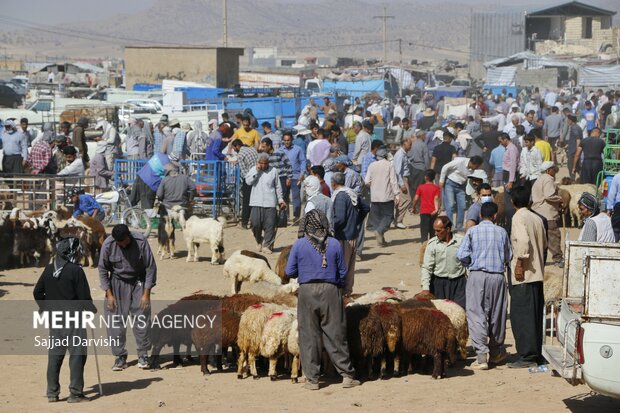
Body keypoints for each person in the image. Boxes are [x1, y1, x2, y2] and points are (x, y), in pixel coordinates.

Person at [285, 209, 360, 390]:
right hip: (331, 291)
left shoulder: (299, 244)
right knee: (336, 333)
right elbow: (342, 272)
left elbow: (289, 271)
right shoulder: (334, 244)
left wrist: (306, 269)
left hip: (307, 293)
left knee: (309, 335)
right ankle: (347, 376)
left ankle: (312, 380)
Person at [33, 237, 97, 403]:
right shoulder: (76, 270)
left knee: (55, 356)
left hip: (55, 319)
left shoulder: (48, 270)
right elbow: (84, 298)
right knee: (77, 355)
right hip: (73, 320)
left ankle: (52, 393)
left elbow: (37, 293)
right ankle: (75, 394)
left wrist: (45, 308)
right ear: (72, 252)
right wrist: (91, 309)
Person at [457, 202, 512, 370]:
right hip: (497, 276)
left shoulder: (472, 232)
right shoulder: (501, 232)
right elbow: (508, 255)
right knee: (497, 314)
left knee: (476, 313)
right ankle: (496, 353)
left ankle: (481, 357)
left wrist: (471, 262)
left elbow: (461, 255)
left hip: (477, 275)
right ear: (495, 216)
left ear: (480, 215)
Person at [98, 224, 157, 371]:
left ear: (129, 236)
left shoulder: (141, 241)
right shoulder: (108, 244)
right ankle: (120, 357)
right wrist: (109, 294)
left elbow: (151, 267)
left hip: (138, 282)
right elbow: (103, 269)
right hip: (117, 283)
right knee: (115, 320)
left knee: (142, 318)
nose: (123, 245)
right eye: (119, 243)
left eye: (124, 241)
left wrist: (146, 294)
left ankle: (143, 355)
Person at [507, 187, 546, 369]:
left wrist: (519, 265)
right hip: (537, 274)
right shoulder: (536, 218)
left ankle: (527, 356)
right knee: (535, 316)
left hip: (525, 276)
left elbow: (522, 242)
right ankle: (536, 353)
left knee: (522, 317)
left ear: (513, 202)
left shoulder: (519, 217)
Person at [331, 171, 368, 296]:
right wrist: (356, 222)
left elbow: (339, 219)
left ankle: (341, 292)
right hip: (352, 234)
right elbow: (366, 208)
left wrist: (330, 228)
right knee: (350, 266)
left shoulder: (341, 196)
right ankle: (347, 291)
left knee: (343, 266)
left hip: (344, 237)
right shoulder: (351, 192)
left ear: (333, 183)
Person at [420, 216, 467, 308]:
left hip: (459, 284)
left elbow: (467, 264)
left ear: (448, 229)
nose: (435, 233)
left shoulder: (461, 242)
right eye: (435, 230)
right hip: (438, 285)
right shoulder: (432, 244)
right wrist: (425, 288)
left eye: (438, 231)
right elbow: (426, 267)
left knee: (460, 312)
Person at [246, 153, 287, 253]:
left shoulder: (273, 171)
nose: (263, 165)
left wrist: (280, 200)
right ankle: (259, 240)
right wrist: (257, 171)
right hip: (256, 202)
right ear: (258, 162)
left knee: (270, 225)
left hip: (270, 202)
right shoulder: (253, 169)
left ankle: (267, 245)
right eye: (261, 163)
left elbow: (278, 187)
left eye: (265, 163)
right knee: (255, 224)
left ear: (268, 163)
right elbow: (248, 182)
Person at [364, 147, 399, 246]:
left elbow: (366, 181)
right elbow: (393, 181)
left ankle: (381, 241)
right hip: (387, 196)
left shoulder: (372, 165)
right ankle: (380, 231)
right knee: (388, 217)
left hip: (375, 197)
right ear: (385, 155)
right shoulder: (389, 165)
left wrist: (374, 186)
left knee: (378, 219)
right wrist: (397, 194)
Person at [439, 156, 484, 232]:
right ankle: (450, 226)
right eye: (476, 166)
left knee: (462, 206)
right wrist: (441, 180)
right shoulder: (459, 161)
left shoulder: (473, 170)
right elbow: (445, 167)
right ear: (473, 163)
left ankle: (459, 226)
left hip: (461, 186)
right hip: (450, 183)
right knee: (450, 205)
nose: (477, 168)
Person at [531, 161, 564, 266]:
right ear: (548, 170)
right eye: (553, 169)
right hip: (547, 213)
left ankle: (539, 260)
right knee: (553, 236)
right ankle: (558, 259)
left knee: (541, 238)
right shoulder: (548, 179)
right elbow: (548, 196)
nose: (555, 171)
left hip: (537, 212)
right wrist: (559, 199)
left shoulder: (538, 180)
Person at [279, 131, 306, 221]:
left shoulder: (298, 149)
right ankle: (285, 216)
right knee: (284, 196)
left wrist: (302, 174)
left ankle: (296, 216)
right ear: (283, 141)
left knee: (296, 196)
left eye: (288, 140)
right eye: (285, 140)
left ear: (292, 140)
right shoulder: (280, 150)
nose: (287, 142)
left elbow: (303, 161)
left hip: (296, 176)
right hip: (284, 176)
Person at [232, 139, 259, 228]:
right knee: (256, 201)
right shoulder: (252, 149)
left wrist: (246, 181)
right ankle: (254, 222)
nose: (234, 150)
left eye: (234, 148)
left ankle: (244, 222)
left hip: (249, 178)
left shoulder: (241, 154)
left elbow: (243, 171)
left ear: (237, 146)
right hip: (258, 177)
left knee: (246, 201)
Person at [412, 169, 441, 241]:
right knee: (433, 231)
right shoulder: (436, 188)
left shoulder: (421, 187)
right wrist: (437, 209)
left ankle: (424, 246)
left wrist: (414, 207)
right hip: (433, 212)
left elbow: (415, 199)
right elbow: (436, 199)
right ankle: (432, 246)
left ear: (425, 177)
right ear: (433, 178)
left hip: (424, 212)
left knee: (424, 231)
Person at [500, 133, 519, 235]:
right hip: (506, 175)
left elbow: (513, 165)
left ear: (505, 139)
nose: (500, 143)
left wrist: (511, 180)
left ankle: (511, 224)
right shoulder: (508, 148)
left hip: (510, 176)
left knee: (509, 202)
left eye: (501, 141)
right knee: (507, 201)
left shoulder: (512, 149)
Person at [393, 137, 412, 229]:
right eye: (410, 144)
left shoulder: (404, 154)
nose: (410, 146)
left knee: (402, 200)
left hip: (405, 178)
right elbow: (397, 171)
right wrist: (401, 184)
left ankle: (397, 220)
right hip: (402, 179)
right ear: (404, 144)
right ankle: (398, 220)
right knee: (407, 200)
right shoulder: (400, 154)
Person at [407, 130, 429, 199]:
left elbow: (408, 155)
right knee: (420, 187)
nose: (425, 137)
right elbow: (426, 158)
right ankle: (418, 204)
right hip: (421, 168)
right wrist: (427, 169)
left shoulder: (412, 144)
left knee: (413, 186)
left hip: (412, 167)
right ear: (422, 136)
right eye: (424, 135)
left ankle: (413, 202)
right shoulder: (423, 145)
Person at [565, 114, 582, 181]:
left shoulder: (574, 128)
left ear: (570, 120)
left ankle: (572, 180)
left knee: (571, 166)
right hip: (573, 149)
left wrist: (576, 150)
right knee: (577, 167)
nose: (567, 121)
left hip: (573, 152)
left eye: (568, 120)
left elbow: (578, 140)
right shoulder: (577, 127)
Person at [606, 172, 620, 241]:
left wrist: (609, 208)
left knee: (615, 228)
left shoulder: (617, 177)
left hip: (618, 206)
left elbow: (612, 194)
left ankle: (615, 247)